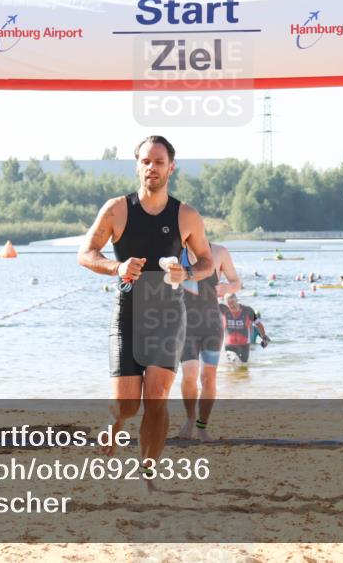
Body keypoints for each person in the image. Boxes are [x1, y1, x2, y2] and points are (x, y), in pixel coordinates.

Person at [77, 135, 213, 489]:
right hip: (127, 315)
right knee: (126, 405)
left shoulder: (186, 215)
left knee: (156, 396)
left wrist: (189, 273)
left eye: (158, 161)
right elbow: (86, 253)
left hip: (168, 316)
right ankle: (116, 422)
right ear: (137, 165)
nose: (152, 168)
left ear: (171, 167)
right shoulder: (116, 210)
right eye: (145, 161)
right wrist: (117, 268)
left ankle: (148, 474)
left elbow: (208, 261)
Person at [177, 243, 242, 442]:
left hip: (212, 324)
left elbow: (236, 282)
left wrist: (227, 288)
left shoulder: (220, 252)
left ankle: (202, 426)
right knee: (189, 376)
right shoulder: (176, 252)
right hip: (185, 324)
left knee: (208, 378)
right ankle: (190, 418)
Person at [220, 293, 269, 363]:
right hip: (229, 345)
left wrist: (264, 338)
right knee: (231, 366)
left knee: (243, 367)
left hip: (244, 346)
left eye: (232, 302)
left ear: (237, 300)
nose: (231, 305)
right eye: (229, 303)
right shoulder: (223, 310)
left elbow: (259, 325)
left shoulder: (248, 310)